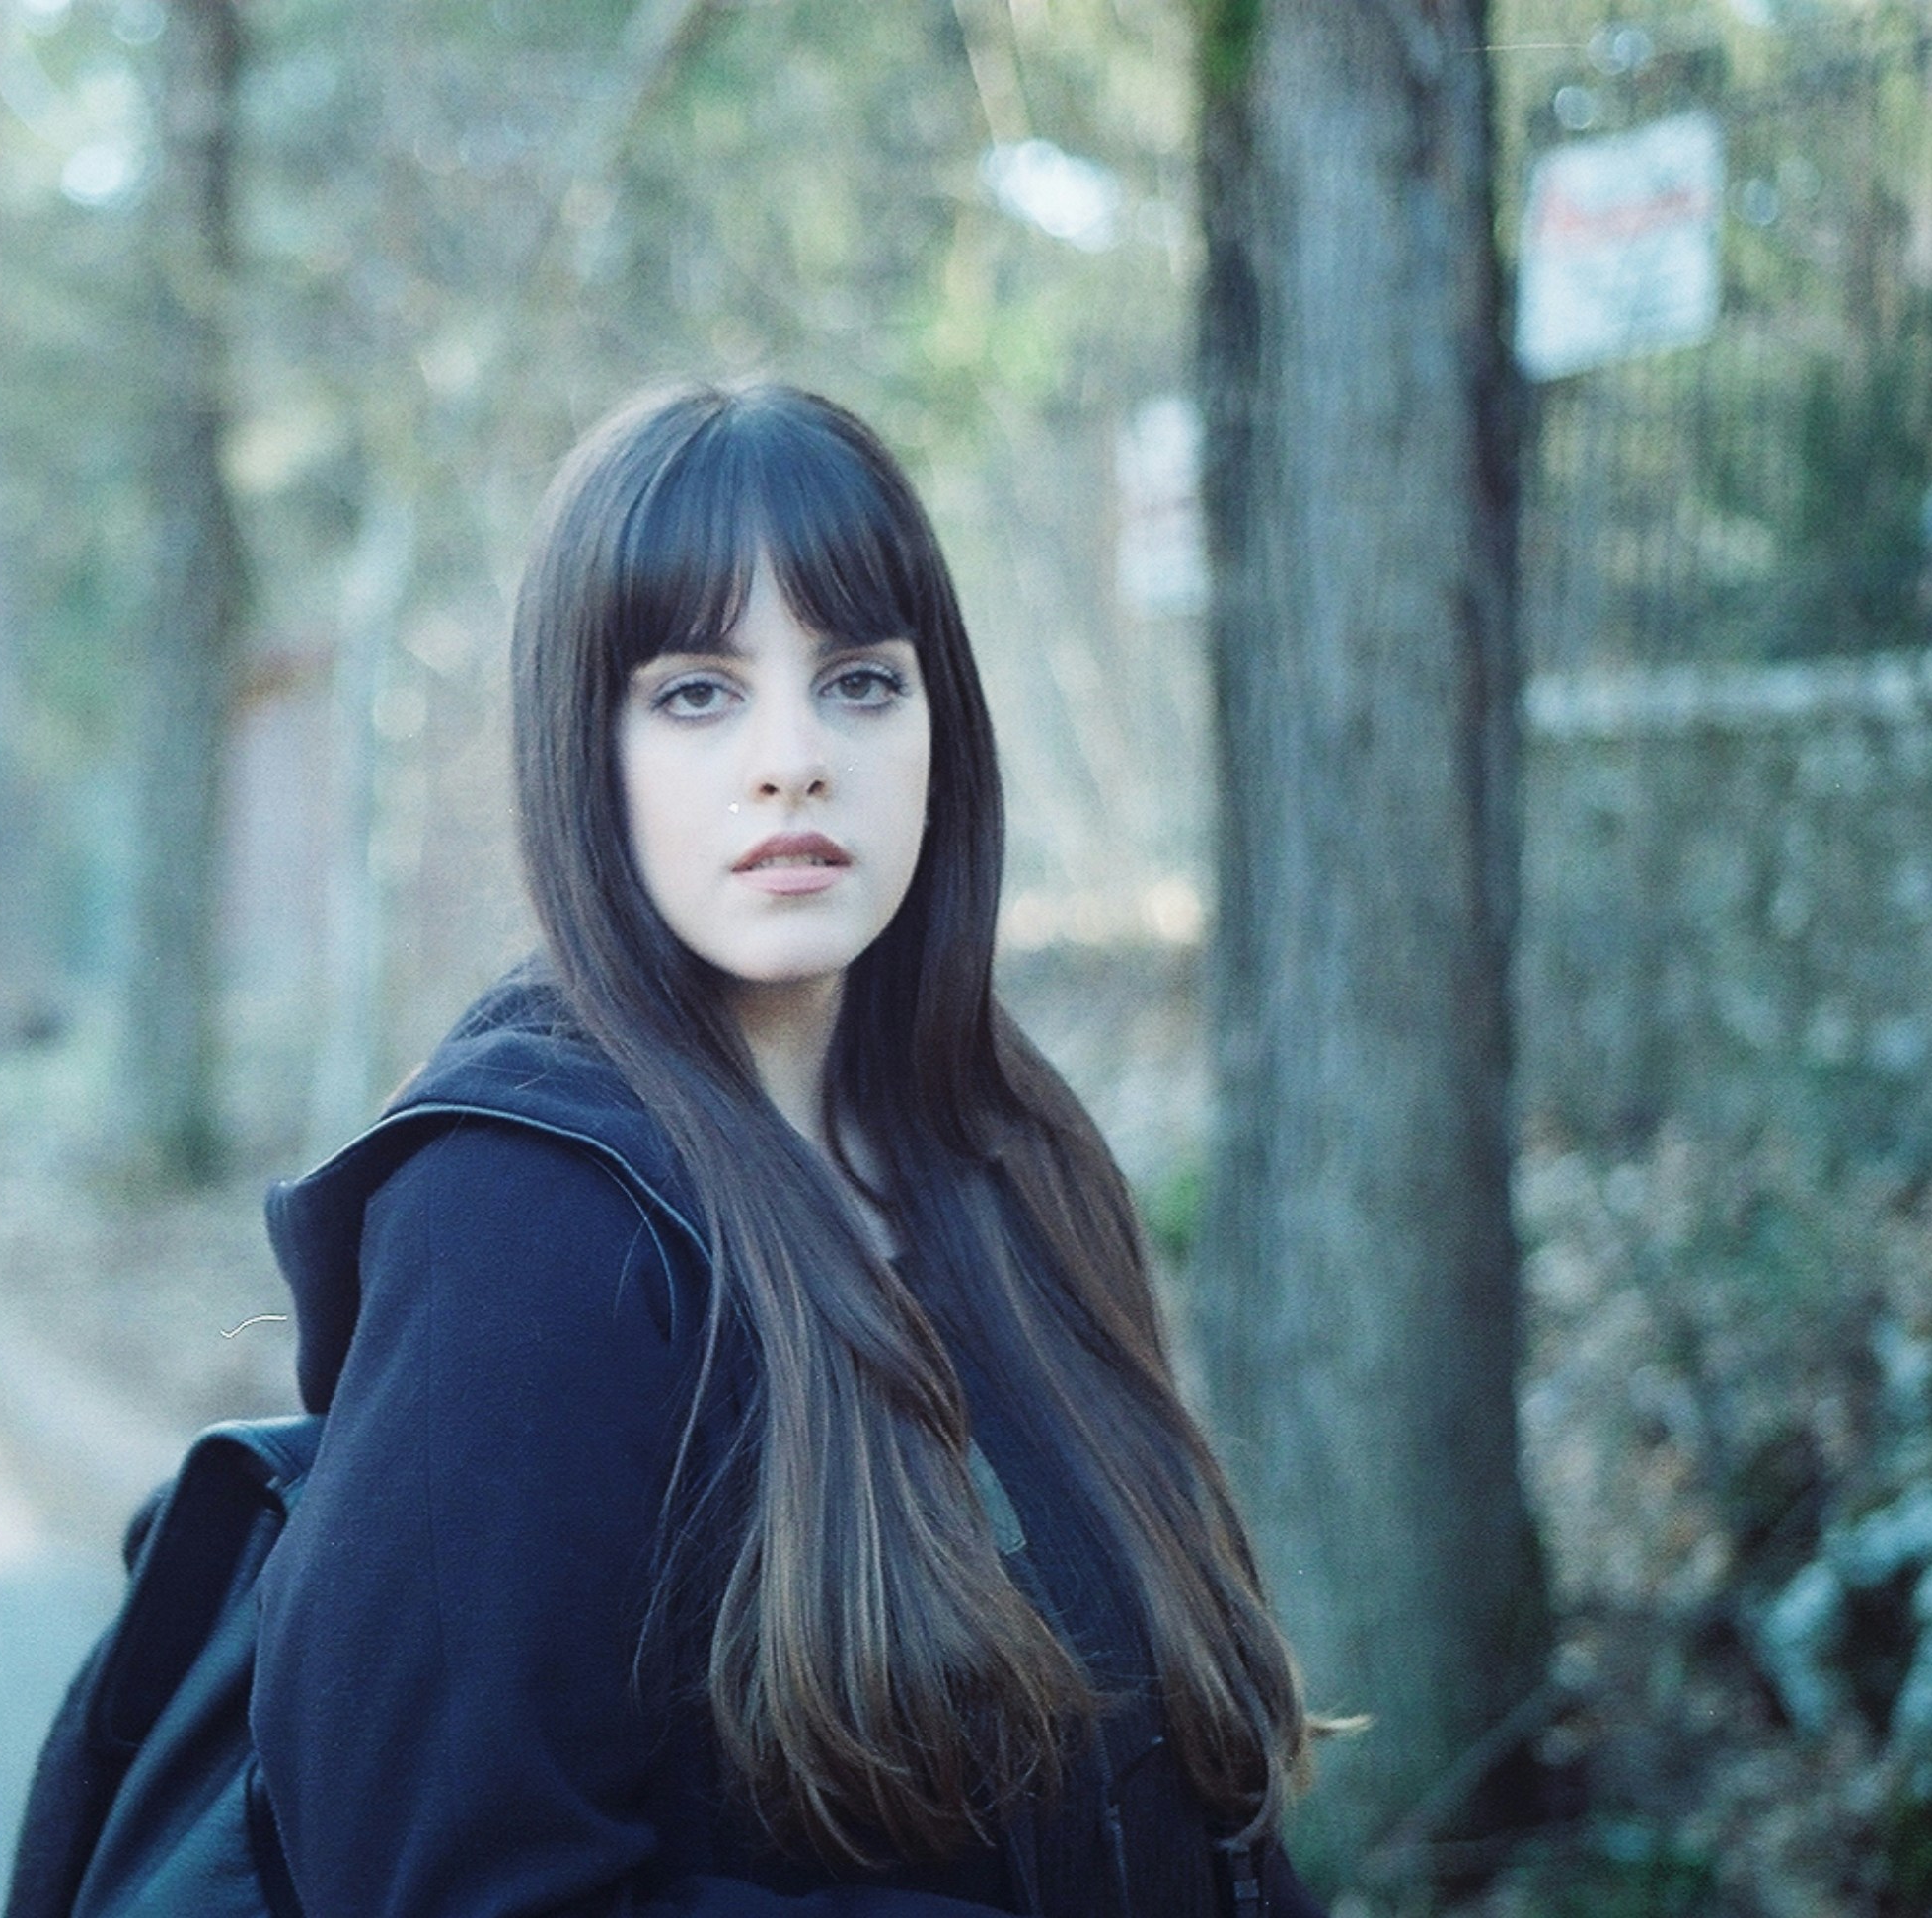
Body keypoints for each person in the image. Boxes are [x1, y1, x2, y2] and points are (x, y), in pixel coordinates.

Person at [250, 382, 1329, 1916]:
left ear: (936, 727)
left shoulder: (1011, 1155)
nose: (792, 759)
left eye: (859, 682)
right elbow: (458, 1879)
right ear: (587, 751)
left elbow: (1201, 1794)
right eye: (696, 692)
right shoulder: (520, 1221)